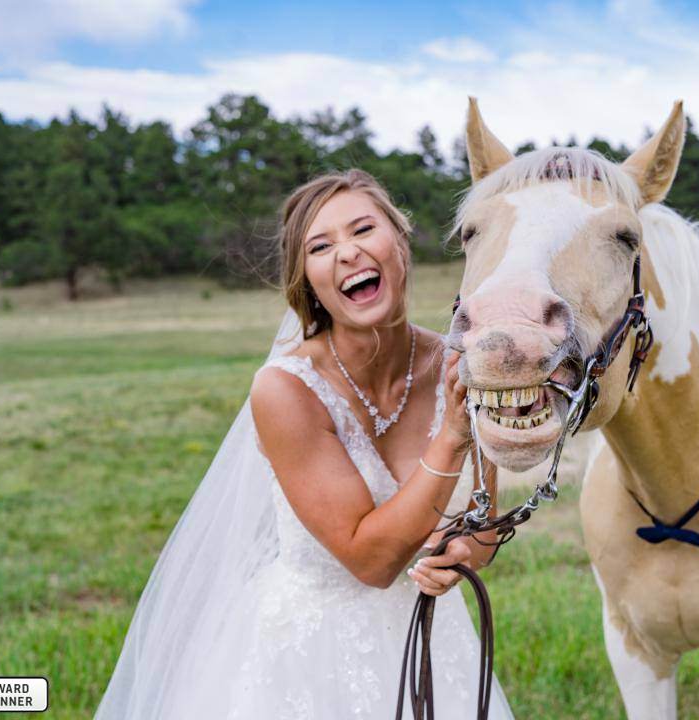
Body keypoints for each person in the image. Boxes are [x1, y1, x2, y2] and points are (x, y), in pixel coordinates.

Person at [94, 169, 514, 719]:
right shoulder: (286, 390)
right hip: (307, 662)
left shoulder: (461, 365)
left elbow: (483, 521)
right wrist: (454, 436)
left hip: (432, 642)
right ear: (307, 279)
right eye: (321, 246)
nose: (347, 253)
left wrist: (461, 553)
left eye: (363, 229)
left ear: (400, 240)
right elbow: (370, 559)